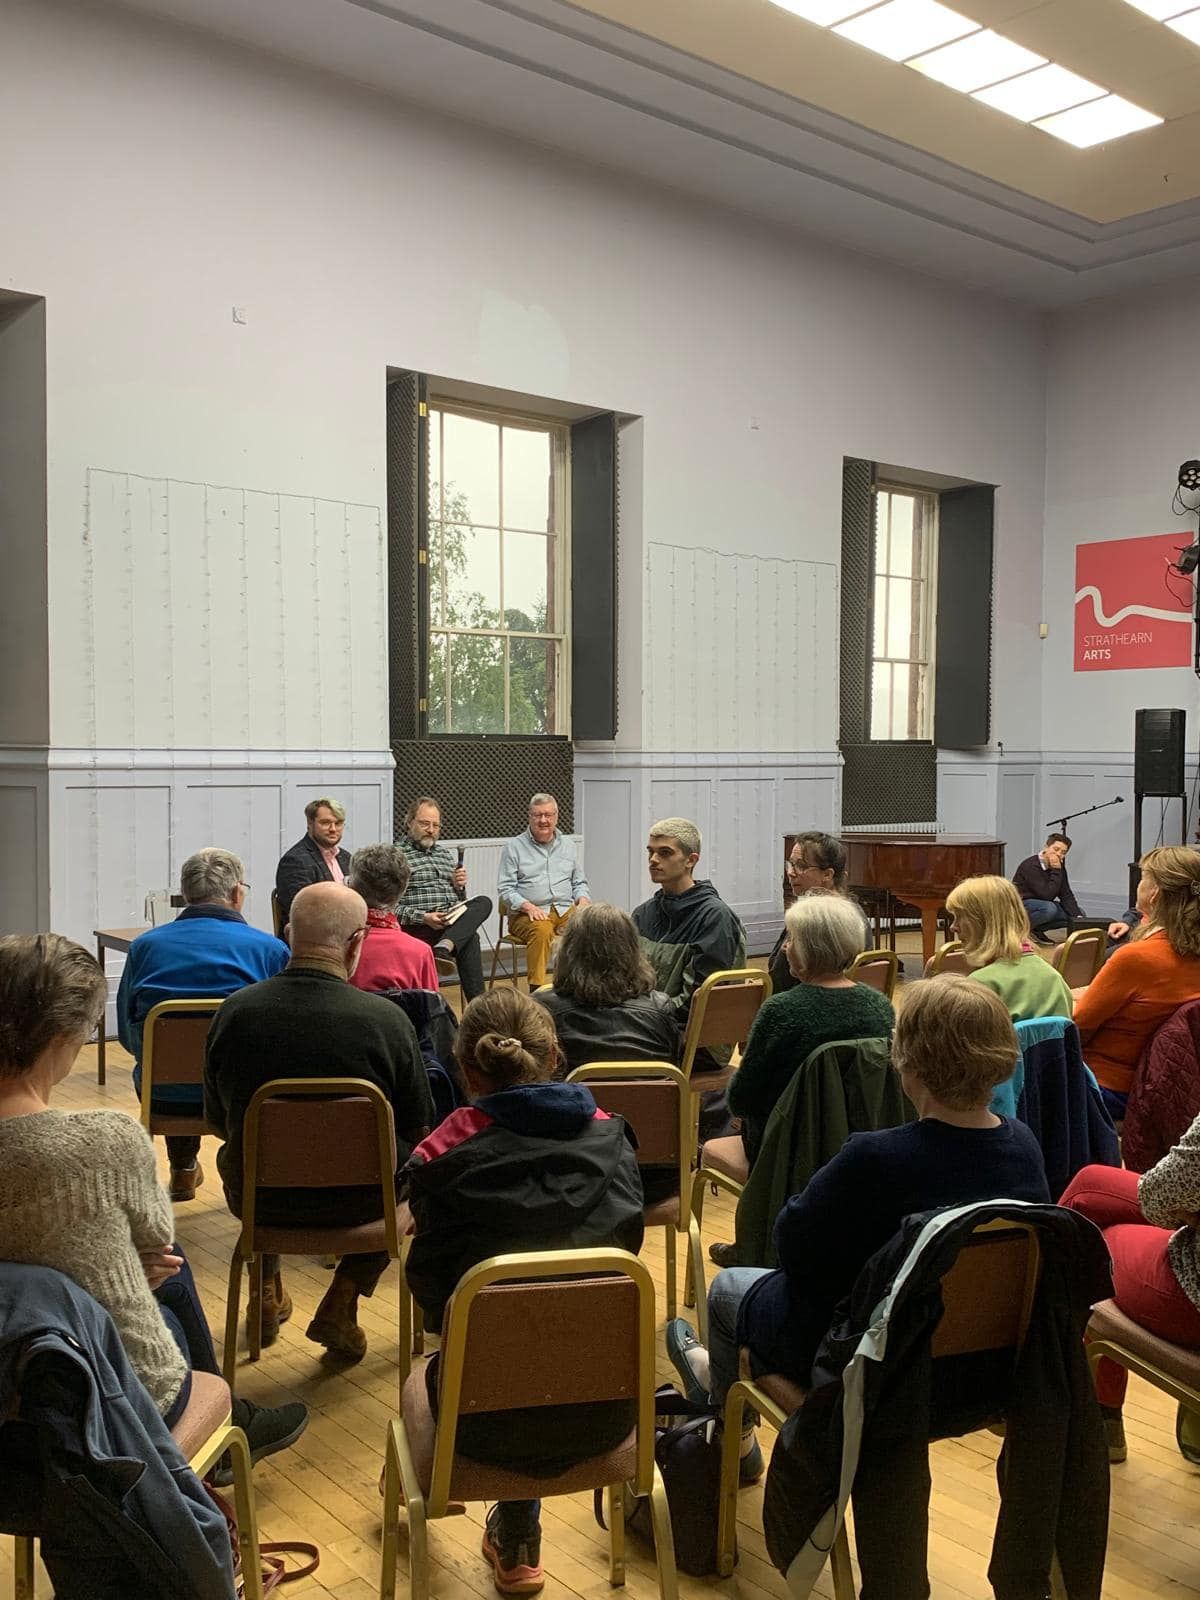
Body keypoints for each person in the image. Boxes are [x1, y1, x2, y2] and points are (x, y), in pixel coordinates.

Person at [667, 976, 1049, 1482]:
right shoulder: (1023, 1146)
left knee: (726, 1289)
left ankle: (730, 1439)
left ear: (907, 1061)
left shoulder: (875, 1157)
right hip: (975, 1373)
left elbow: (791, 1248)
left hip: (868, 1366)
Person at [0, 933, 307, 1479]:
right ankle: (224, 1437)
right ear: (67, 1036)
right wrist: (106, 1272)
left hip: (13, 1388)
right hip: (105, 1401)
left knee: (168, 1269)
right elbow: (154, 1242)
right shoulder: (106, 1141)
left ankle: (231, 1427)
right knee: (170, 1267)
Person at [403, 987, 644, 1597]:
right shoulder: (616, 1141)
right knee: (542, 1336)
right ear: (555, 1056)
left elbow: (432, 1299)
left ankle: (510, 1534)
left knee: (475, 1352)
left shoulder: (442, 1161)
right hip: (608, 1415)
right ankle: (516, 1538)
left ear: (467, 1072)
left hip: (476, 1429)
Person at [204, 883, 432, 1359]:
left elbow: (219, 1121)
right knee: (420, 1172)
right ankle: (343, 1296)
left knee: (251, 1149)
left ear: (289, 935)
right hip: (365, 1203)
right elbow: (418, 1128)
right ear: (356, 942)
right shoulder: (387, 1021)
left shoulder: (235, 1013)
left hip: (260, 1201)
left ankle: (266, 1281)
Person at [116, 847, 289, 1201]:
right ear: (237, 894)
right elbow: (282, 1033)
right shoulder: (270, 950)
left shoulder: (144, 948)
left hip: (162, 1096)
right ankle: (251, 1183)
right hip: (242, 1099)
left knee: (174, 1065)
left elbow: (127, 1031)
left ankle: (182, 1169)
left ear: (186, 893)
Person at [1061, 1125, 1200, 1462]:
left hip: (1191, 1300)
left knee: (1095, 1227)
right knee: (1092, 1188)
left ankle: (1062, 1397)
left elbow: (1159, 1195)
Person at [728, 894, 893, 1167]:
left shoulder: (780, 1010)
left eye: (791, 939)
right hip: (860, 1142)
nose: (785, 947)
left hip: (787, 1149)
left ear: (810, 948)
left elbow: (742, 1100)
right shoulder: (880, 1006)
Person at [1073, 845, 1200, 1118]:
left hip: (1107, 1085)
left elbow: (1077, 1029)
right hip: (1165, 1084)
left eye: (1142, 879)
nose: (1138, 885)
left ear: (1155, 894)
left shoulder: (1137, 958)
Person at [534, 902, 679, 1075]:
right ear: (633, 951)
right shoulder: (661, 1007)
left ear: (568, 951)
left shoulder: (543, 1008)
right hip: (649, 1093)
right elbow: (674, 1065)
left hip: (577, 1093)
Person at [631, 817, 745, 1032]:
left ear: (691, 860)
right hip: (646, 1023)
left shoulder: (715, 918)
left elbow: (700, 999)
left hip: (691, 1034)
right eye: (650, 852)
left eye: (665, 853)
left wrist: (640, 1017)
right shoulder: (642, 914)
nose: (653, 860)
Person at [396, 796, 492, 1000]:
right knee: (471, 938)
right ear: (409, 822)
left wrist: (458, 887)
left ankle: (444, 947)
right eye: (425, 824)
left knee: (484, 902)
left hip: (450, 922)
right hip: (419, 927)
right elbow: (389, 907)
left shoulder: (444, 855)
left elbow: (459, 899)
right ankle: (480, 1007)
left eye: (436, 825)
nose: (431, 830)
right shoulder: (395, 856)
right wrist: (423, 917)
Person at [945, 875, 1073, 1022]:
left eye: (960, 917)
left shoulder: (979, 987)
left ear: (985, 921)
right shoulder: (1054, 978)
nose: (953, 927)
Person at [496, 794, 591, 989]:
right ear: (529, 817)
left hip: (564, 910)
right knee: (542, 930)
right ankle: (536, 990)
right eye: (537, 815)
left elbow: (579, 882)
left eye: (548, 815)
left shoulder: (568, 845)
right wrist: (528, 906)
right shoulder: (514, 847)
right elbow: (505, 889)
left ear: (556, 816)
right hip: (526, 914)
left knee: (591, 925)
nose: (543, 820)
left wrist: (583, 900)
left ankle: (580, 986)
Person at [767, 833, 867, 995]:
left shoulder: (813, 920)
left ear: (827, 874)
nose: (791, 872)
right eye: (790, 864)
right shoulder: (855, 911)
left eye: (801, 865)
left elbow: (780, 980)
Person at [346, 843, 440, 994]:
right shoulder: (420, 953)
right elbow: (431, 1006)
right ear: (402, 891)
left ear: (351, 887)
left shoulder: (335, 946)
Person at [274, 796, 351, 923]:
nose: (333, 829)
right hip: (314, 933)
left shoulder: (346, 857)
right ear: (310, 823)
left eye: (338, 823)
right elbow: (303, 912)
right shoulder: (294, 861)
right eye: (325, 823)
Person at [1012, 833, 1083, 943]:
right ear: (1046, 847)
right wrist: (1056, 870)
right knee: (1049, 909)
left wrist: (1078, 917)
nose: (1059, 854)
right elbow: (1046, 895)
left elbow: (1066, 894)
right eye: (1056, 849)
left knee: (1077, 913)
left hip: (1042, 905)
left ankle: (1035, 930)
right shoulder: (1031, 865)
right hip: (1022, 905)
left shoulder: (1059, 867)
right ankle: (1018, 930)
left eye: (1063, 852)